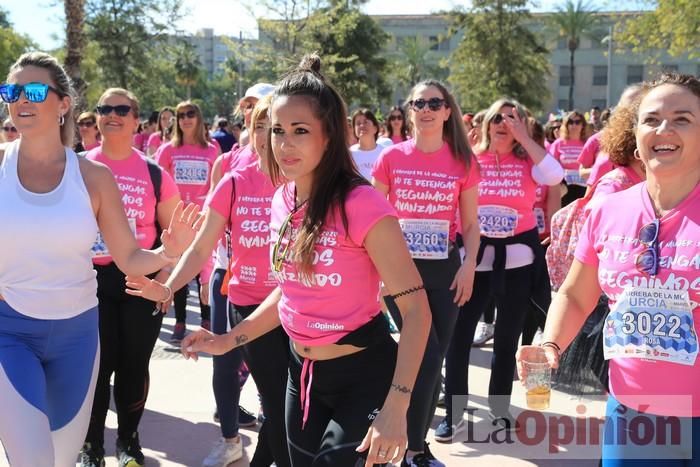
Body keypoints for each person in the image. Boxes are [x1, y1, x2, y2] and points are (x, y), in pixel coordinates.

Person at [134, 54, 432, 467]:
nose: (285, 143)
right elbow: (288, 294)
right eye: (277, 130)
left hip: (363, 376)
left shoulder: (363, 204)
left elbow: (416, 311)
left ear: (328, 136)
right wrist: (226, 340)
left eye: (300, 131)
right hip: (303, 378)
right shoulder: (282, 201)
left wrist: (398, 407)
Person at [0, 51, 199, 467]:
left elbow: (127, 255)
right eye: (11, 91)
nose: (20, 100)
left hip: (78, 337)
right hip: (10, 333)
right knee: (33, 461)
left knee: (59, 459)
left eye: (34, 91)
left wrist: (168, 251)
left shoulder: (93, 177)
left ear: (64, 103)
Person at [518, 72, 700, 466]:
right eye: (651, 119)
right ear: (634, 134)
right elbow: (574, 295)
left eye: (682, 118)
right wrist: (550, 345)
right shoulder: (607, 211)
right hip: (633, 413)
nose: (664, 128)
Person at [436, 98, 563, 443]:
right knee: (458, 339)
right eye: (497, 118)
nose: (503, 124)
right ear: (486, 123)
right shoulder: (470, 160)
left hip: (517, 265)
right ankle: (455, 411)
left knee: (506, 342)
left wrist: (525, 139)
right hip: (474, 264)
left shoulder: (528, 162)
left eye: (512, 119)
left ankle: (499, 409)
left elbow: (555, 174)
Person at [372, 80, 480, 467]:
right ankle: (410, 448)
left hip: (446, 270)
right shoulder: (391, 158)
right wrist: (378, 270)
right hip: (402, 270)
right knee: (428, 355)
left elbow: (470, 225)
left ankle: (416, 446)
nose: (428, 108)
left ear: (448, 111)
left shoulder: (463, 162)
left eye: (436, 102)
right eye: (420, 102)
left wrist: (469, 264)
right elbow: (373, 217)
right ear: (410, 110)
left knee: (435, 358)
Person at [78, 88, 182, 467]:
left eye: (122, 109)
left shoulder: (155, 173)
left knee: (134, 366)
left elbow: (175, 238)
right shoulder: (78, 167)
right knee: (95, 368)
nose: (112, 114)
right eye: (105, 108)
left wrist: (165, 280)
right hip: (91, 282)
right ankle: (91, 447)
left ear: (137, 119)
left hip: (140, 282)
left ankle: (128, 443)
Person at [155, 101, 218, 341]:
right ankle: (180, 321)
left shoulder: (212, 150)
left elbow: (217, 186)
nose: (185, 119)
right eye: (180, 115)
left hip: (204, 221)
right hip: (176, 222)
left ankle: (206, 318)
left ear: (199, 118)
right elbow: (157, 184)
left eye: (190, 114)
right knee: (179, 270)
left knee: (205, 271)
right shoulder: (167, 150)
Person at [550, 110, 589, 205]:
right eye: (570, 122)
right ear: (566, 125)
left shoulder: (588, 143)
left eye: (577, 122)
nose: (574, 125)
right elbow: (551, 166)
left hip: (585, 188)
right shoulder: (558, 144)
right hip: (564, 188)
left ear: (582, 125)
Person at [350, 108, 387, 180]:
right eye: (358, 123)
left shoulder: (385, 153)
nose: (361, 126)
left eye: (365, 122)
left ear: (375, 128)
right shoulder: (349, 154)